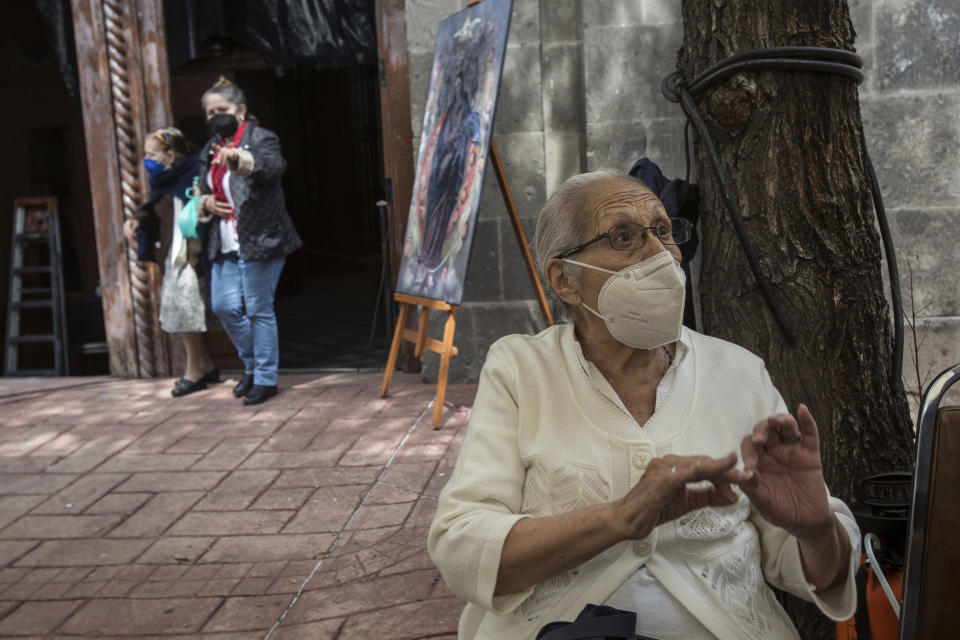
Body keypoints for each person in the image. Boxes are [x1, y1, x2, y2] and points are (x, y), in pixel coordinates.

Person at [427, 169, 861, 640]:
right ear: (565, 280)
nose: (661, 256)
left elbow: (819, 569)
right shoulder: (521, 369)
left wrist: (817, 529)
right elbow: (463, 547)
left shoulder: (738, 372)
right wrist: (620, 518)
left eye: (663, 231)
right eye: (624, 237)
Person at [196, 77, 302, 406]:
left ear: (240, 110)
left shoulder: (261, 138)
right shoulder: (209, 148)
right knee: (223, 306)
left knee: (258, 309)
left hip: (262, 238)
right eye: (211, 112)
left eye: (223, 110)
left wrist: (239, 160)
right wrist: (206, 204)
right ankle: (253, 366)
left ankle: (265, 378)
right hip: (224, 240)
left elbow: (272, 167)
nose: (217, 116)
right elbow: (200, 188)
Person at [124, 127, 218, 397]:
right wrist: (137, 219)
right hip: (173, 251)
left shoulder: (194, 172)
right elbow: (154, 207)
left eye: (150, 154)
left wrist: (196, 249)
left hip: (191, 250)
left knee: (189, 308)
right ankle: (206, 365)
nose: (146, 159)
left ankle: (194, 372)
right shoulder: (163, 180)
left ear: (169, 154)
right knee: (184, 307)